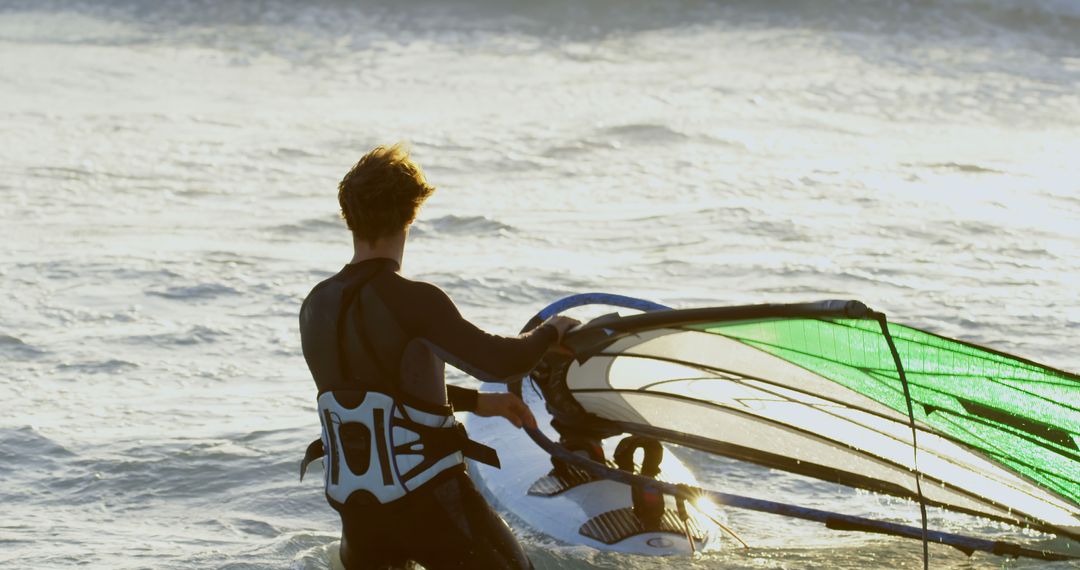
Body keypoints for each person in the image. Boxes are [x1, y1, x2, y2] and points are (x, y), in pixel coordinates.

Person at [298, 143, 578, 569]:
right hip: (431, 503)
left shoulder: (316, 305)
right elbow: (501, 361)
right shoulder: (415, 300)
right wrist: (550, 331)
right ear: (411, 213)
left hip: (360, 513)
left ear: (348, 215)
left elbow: (375, 391)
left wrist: (482, 403)